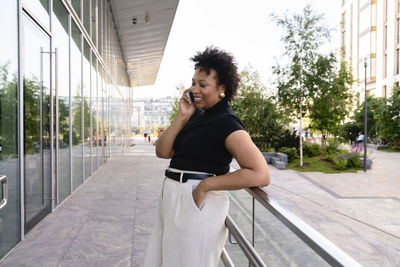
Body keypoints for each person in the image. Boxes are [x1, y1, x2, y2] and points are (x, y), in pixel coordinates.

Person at [143, 47, 270, 267]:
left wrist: (206, 185)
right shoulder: (195, 115)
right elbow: (162, 152)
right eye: (193, 83)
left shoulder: (227, 123)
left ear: (221, 88)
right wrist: (182, 116)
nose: (195, 89)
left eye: (202, 84)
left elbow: (260, 173)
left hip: (196, 200)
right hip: (173, 195)